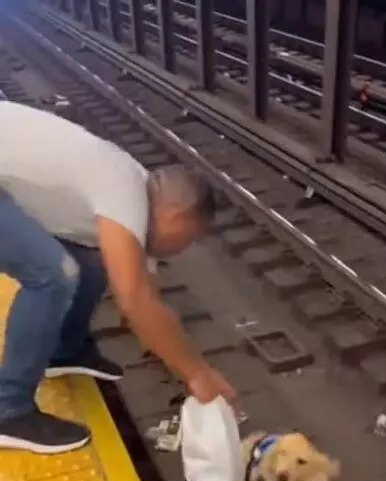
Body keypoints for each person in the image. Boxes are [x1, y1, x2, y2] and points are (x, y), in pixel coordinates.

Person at [0, 99, 236, 454]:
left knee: (94, 261)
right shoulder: (124, 191)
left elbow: (146, 295)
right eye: (188, 239)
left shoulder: (137, 190)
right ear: (177, 218)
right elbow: (135, 301)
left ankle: (63, 352)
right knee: (55, 275)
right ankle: (8, 410)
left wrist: (176, 354)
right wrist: (198, 373)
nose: (181, 250)